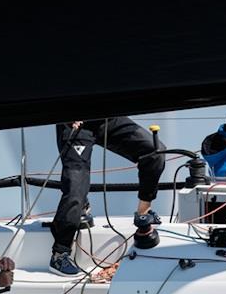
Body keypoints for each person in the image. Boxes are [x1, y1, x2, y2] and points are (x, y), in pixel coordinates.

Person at [49, 118, 166, 277]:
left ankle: (143, 213)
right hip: (76, 122)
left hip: (108, 117)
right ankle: (59, 254)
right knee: (76, 187)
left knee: (155, 151)